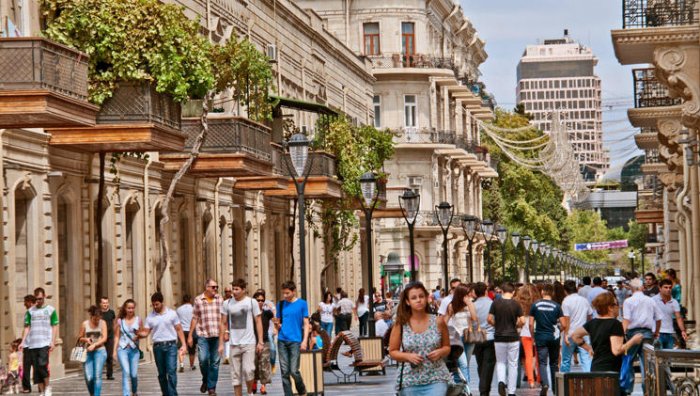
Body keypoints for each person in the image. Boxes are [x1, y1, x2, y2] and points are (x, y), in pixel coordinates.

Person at [572, 293, 644, 396]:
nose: (618, 307)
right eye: (616, 304)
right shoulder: (615, 324)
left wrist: (588, 349)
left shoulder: (592, 323)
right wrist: (633, 340)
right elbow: (617, 350)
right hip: (611, 371)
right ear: (610, 307)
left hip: (596, 367)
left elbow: (575, 335)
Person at [388, 281, 452, 395]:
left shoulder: (438, 321)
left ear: (427, 298)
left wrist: (441, 352)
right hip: (409, 380)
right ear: (407, 302)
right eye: (414, 298)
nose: (418, 300)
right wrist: (407, 356)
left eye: (421, 296)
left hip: (437, 377)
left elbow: (447, 347)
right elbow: (392, 351)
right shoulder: (401, 324)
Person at [219, 279, 264, 396]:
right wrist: (220, 344)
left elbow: (258, 321)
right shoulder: (227, 303)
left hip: (249, 343)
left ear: (244, 290)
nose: (234, 291)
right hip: (234, 343)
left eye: (237, 289)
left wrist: (260, 341)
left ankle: (249, 392)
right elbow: (223, 323)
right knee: (235, 376)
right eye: (233, 289)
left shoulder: (251, 302)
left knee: (249, 371)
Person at [138, 292, 188, 396]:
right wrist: (138, 334)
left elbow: (179, 329)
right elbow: (146, 332)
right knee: (161, 374)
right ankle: (166, 393)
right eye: (153, 305)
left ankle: (172, 394)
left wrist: (183, 344)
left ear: (162, 303)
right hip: (158, 347)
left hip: (171, 346)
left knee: (171, 371)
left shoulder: (172, 314)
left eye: (157, 304)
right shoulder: (150, 317)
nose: (155, 307)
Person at [622, 278, 661, 395]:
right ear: (642, 288)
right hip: (648, 333)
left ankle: (627, 388)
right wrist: (656, 332)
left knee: (628, 360)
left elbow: (626, 319)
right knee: (647, 364)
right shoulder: (650, 300)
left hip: (632, 334)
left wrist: (622, 334)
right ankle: (648, 390)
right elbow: (658, 319)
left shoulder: (628, 301)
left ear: (631, 288)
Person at [19, 287, 58, 396]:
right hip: (32, 344)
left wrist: (53, 342)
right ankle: (41, 391)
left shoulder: (51, 310)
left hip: (44, 343)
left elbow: (54, 326)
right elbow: (27, 327)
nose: (38, 301)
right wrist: (22, 342)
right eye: (37, 299)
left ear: (44, 296)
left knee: (42, 364)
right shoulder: (30, 312)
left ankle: (48, 387)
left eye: (40, 298)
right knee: (36, 369)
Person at [488, 282, 524, 396]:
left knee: (500, 362)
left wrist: (496, 325)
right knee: (513, 364)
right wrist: (517, 325)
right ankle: (512, 391)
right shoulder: (516, 304)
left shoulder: (495, 303)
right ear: (513, 292)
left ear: (502, 291)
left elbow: (489, 318)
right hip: (513, 337)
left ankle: (501, 382)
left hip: (499, 337)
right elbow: (522, 321)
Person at [274, 281, 309, 396]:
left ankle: (302, 390)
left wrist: (304, 341)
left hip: (295, 341)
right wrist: (276, 325)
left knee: (294, 371)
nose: (285, 296)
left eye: (287, 293)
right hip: (282, 340)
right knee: (284, 372)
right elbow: (278, 322)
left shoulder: (302, 304)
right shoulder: (280, 304)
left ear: (293, 292)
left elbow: (306, 324)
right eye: (283, 293)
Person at [189, 279, 223, 395]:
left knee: (215, 362)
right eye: (213, 287)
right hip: (203, 335)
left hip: (217, 335)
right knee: (203, 360)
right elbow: (194, 317)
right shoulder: (198, 300)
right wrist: (190, 335)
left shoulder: (219, 299)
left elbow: (224, 317)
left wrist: (226, 332)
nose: (215, 289)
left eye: (216, 287)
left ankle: (211, 387)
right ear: (207, 287)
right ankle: (205, 380)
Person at [530, 284, 563, 396]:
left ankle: (545, 384)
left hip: (540, 337)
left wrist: (533, 336)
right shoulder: (557, 306)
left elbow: (530, 323)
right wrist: (559, 331)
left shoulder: (535, 305)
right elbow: (563, 323)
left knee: (542, 362)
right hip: (554, 337)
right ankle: (555, 389)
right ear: (552, 293)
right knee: (554, 363)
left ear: (542, 292)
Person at [446, 284, 480, 385]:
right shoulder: (452, 305)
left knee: (466, 363)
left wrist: (469, 304)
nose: (469, 295)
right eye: (467, 293)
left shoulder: (470, 304)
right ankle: (466, 387)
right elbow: (445, 321)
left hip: (468, 336)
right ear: (461, 294)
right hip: (457, 338)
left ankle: (459, 384)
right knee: (463, 363)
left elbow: (474, 319)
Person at [560, 280, 592, 373]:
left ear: (565, 290)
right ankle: (588, 380)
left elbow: (567, 320)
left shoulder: (566, 301)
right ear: (576, 289)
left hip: (570, 334)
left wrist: (565, 335)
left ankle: (565, 381)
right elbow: (590, 316)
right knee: (586, 359)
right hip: (583, 333)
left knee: (566, 360)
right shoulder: (584, 300)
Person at [113, 299, 142, 396]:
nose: (130, 310)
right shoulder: (120, 321)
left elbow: (142, 334)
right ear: (125, 308)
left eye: (132, 308)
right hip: (122, 349)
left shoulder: (138, 320)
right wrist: (114, 351)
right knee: (126, 371)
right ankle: (126, 394)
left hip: (134, 350)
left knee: (133, 374)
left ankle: (134, 391)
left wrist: (137, 336)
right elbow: (117, 336)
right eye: (129, 308)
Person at [513, 284, 539, 389]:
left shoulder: (519, 304)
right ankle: (539, 379)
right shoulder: (537, 302)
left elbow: (518, 321)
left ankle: (530, 380)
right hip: (537, 332)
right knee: (537, 356)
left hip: (525, 333)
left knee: (528, 356)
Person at [78, 305, 108, 396]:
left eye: (98, 319)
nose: (97, 321)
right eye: (95, 319)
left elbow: (104, 338)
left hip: (100, 351)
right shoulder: (85, 324)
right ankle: (92, 393)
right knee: (89, 377)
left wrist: (95, 344)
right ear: (91, 316)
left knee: (97, 375)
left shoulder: (103, 323)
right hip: (88, 353)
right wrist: (86, 339)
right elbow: (79, 338)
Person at [472, 282, 496, 396]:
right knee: (489, 364)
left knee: (480, 363)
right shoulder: (492, 303)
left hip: (478, 336)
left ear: (475, 293)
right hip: (491, 336)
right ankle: (484, 390)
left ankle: (483, 386)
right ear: (486, 291)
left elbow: (471, 321)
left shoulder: (473, 305)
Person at [653, 279, 688, 349]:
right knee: (657, 357)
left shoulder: (674, 302)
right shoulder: (653, 300)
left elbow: (678, 317)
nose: (668, 289)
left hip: (669, 333)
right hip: (657, 333)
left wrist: (683, 330)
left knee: (668, 358)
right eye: (666, 287)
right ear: (660, 288)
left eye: (670, 287)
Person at [253, 291, 274, 395]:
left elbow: (275, 316)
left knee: (264, 364)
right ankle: (254, 382)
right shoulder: (251, 314)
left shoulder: (266, 313)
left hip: (264, 341)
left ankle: (263, 386)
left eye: (262, 300)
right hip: (252, 342)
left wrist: (271, 306)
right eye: (258, 300)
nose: (260, 302)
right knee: (254, 364)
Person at [176, 294, 196, 372]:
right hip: (191, 330)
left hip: (182, 331)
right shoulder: (193, 309)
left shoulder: (178, 309)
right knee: (192, 349)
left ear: (183, 300)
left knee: (181, 347)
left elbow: (176, 321)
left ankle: (181, 364)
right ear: (190, 300)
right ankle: (191, 365)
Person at [20, 294, 36, 393]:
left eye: (25, 302)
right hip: (33, 344)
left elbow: (27, 328)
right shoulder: (36, 312)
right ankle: (38, 386)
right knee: (35, 366)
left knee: (28, 367)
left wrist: (23, 341)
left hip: (31, 344)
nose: (24, 304)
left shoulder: (30, 313)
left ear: (30, 302)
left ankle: (27, 387)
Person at [99, 297, 116, 381]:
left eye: (106, 303)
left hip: (110, 337)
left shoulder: (112, 312)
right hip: (101, 337)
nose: (105, 304)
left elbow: (114, 323)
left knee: (109, 356)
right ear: (100, 304)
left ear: (108, 303)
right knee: (101, 355)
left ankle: (109, 374)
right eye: (103, 303)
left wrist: (115, 334)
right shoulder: (98, 313)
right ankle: (98, 373)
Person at [222, 286, 233, 365]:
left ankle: (229, 356)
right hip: (225, 322)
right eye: (226, 291)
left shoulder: (234, 300)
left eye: (229, 291)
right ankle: (226, 357)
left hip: (233, 322)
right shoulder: (222, 301)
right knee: (226, 340)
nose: (227, 293)